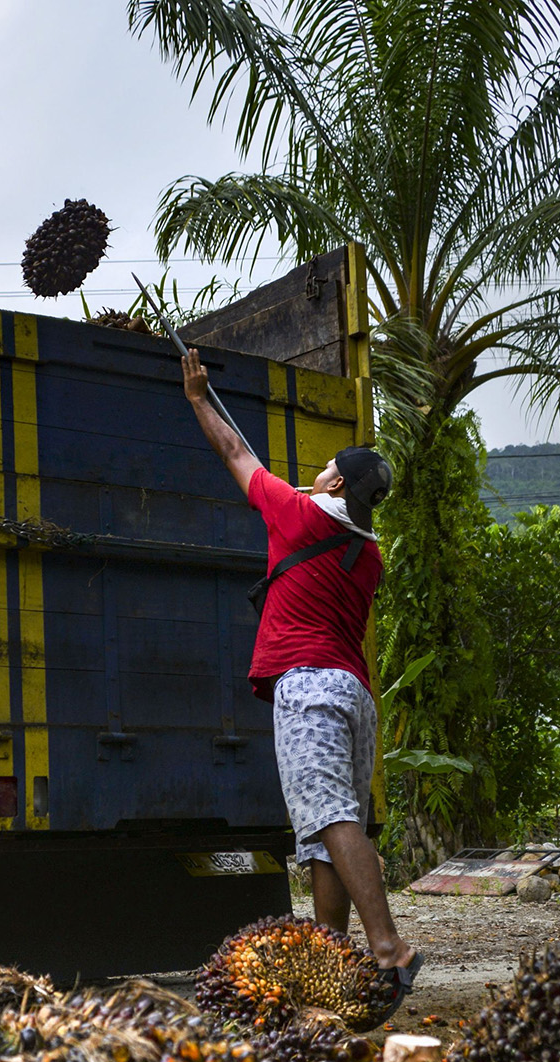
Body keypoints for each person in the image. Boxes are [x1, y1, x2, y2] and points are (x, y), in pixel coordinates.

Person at [180, 347, 423, 1009]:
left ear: (339, 485)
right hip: (353, 693)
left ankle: (387, 950)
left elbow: (237, 455)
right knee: (325, 834)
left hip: (310, 684)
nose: (313, 475)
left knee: (330, 819)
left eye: (325, 470)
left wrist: (200, 398)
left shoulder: (300, 512)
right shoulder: (366, 552)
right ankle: (330, 972)